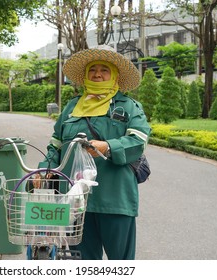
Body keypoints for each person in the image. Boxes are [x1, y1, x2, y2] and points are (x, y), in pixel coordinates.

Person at [38, 45, 151, 260]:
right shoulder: (72, 108)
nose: (97, 74)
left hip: (115, 199)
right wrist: (44, 170)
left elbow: (138, 141)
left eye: (104, 69)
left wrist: (107, 146)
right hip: (75, 201)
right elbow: (56, 146)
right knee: (84, 261)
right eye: (92, 69)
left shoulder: (128, 107)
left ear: (115, 75)